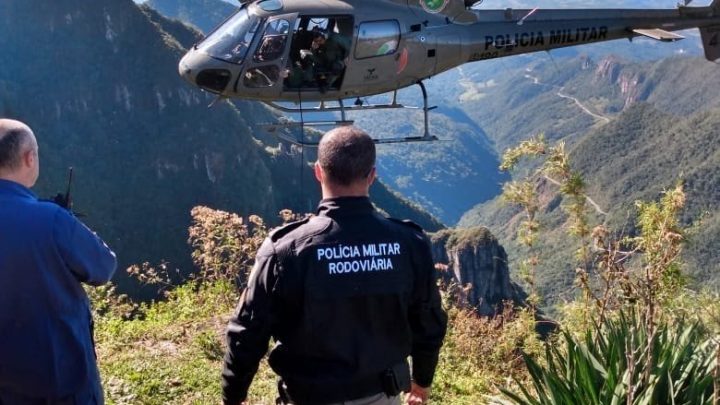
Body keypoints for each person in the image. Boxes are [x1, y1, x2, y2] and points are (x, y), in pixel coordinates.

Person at [222, 126, 448, 405]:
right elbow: (428, 320)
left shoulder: (285, 249)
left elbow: (248, 330)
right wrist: (422, 380)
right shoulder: (409, 243)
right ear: (372, 175)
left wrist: (234, 395)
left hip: (309, 397)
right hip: (382, 396)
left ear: (318, 171)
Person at [0, 119, 117, 404]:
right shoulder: (51, 220)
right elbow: (103, 267)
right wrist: (66, 223)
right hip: (61, 380)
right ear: (30, 158)